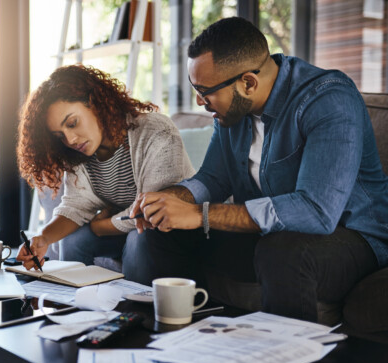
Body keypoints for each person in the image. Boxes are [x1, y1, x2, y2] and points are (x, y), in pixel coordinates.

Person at [129, 17, 388, 323]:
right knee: (157, 234)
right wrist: (168, 201)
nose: (200, 101)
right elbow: (213, 178)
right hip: (269, 237)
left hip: (354, 239)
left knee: (282, 251)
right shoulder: (231, 112)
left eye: (205, 91)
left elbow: (316, 211)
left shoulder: (328, 100)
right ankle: (164, 339)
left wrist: (201, 214)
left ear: (248, 82)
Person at [15, 64, 195, 280]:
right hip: (126, 228)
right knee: (72, 240)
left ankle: (134, 312)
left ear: (95, 103)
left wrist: (102, 227)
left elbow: (150, 213)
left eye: (72, 123)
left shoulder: (156, 131)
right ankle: (77, 306)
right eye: (60, 135)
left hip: (168, 231)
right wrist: (43, 238)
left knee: (138, 238)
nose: (70, 140)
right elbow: (75, 207)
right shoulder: (79, 154)